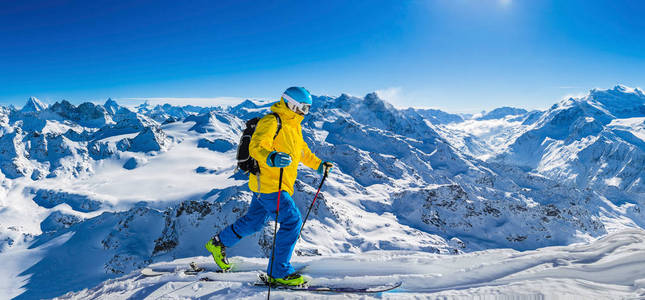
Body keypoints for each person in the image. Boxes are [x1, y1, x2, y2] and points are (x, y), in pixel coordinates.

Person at [205, 87, 333, 286]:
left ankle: (218, 243)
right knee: (292, 221)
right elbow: (256, 146)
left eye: (308, 109)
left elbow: (302, 152)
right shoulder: (272, 121)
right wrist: (271, 158)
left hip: (271, 185)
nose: (305, 113)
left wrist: (319, 165)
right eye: (303, 108)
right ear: (292, 104)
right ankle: (278, 272)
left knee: (254, 222)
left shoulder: (294, 126)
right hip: (270, 185)